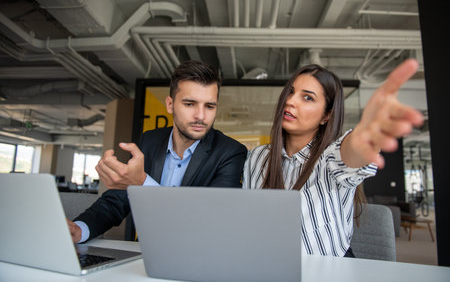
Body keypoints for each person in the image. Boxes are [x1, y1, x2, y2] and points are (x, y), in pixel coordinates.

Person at [242, 59, 423, 257]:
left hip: (329, 272)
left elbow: (349, 153)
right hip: (270, 266)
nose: (291, 101)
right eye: (291, 92)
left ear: (326, 116)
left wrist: (365, 134)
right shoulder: (257, 158)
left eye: (308, 98)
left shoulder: (330, 156)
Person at [67, 60, 247, 243]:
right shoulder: (150, 141)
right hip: (143, 254)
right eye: (190, 104)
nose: (201, 116)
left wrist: (142, 182)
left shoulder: (230, 152)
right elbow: (118, 199)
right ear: (170, 105)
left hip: (198, 257)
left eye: (209, 106)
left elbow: (212, 218)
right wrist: (80, 229)